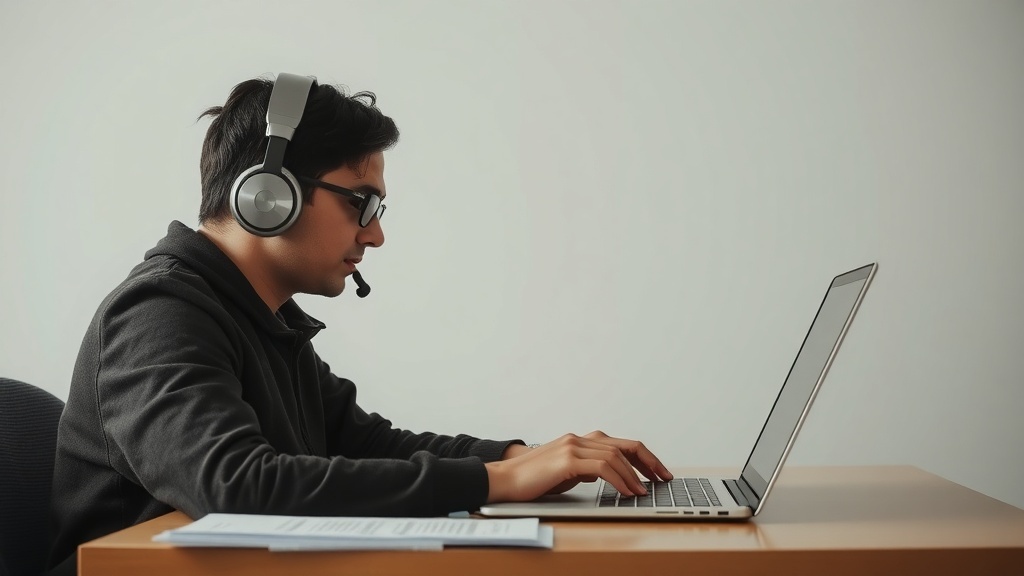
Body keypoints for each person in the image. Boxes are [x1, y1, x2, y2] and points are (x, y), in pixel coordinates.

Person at [45, 73, 671, 575]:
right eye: (361, 202)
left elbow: (369, 443)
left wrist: (527, 457)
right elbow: (238, 484)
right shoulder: (156, 316)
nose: (375, 233)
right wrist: (499, 479)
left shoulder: (258, 320)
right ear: (269, 194)